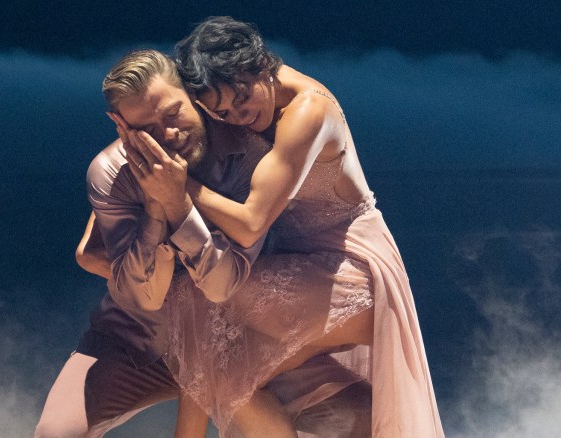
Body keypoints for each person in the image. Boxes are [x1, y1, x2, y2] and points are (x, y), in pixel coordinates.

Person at [123, 17, 445, 436]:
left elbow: (251, 224)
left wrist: (178, 185)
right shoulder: (234, 107)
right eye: (221, 111)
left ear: (259, 65)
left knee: (194, 301)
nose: (238, 116)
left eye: (242, 99)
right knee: (221, 371)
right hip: (300, 267)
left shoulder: (308, 110)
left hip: (353, 270)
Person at [34, 49, 372, 438]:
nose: (169, 135)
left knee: (364, 418)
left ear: (193, 96)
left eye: (173, 113)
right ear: (121, 126)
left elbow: (223, 284)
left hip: (235, 340)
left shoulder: (250, 156)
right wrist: (156, 212)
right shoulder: (109, 173)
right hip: (139, 341)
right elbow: (142, 296)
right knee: (54, 434)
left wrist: (180, 201)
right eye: (148, 128)